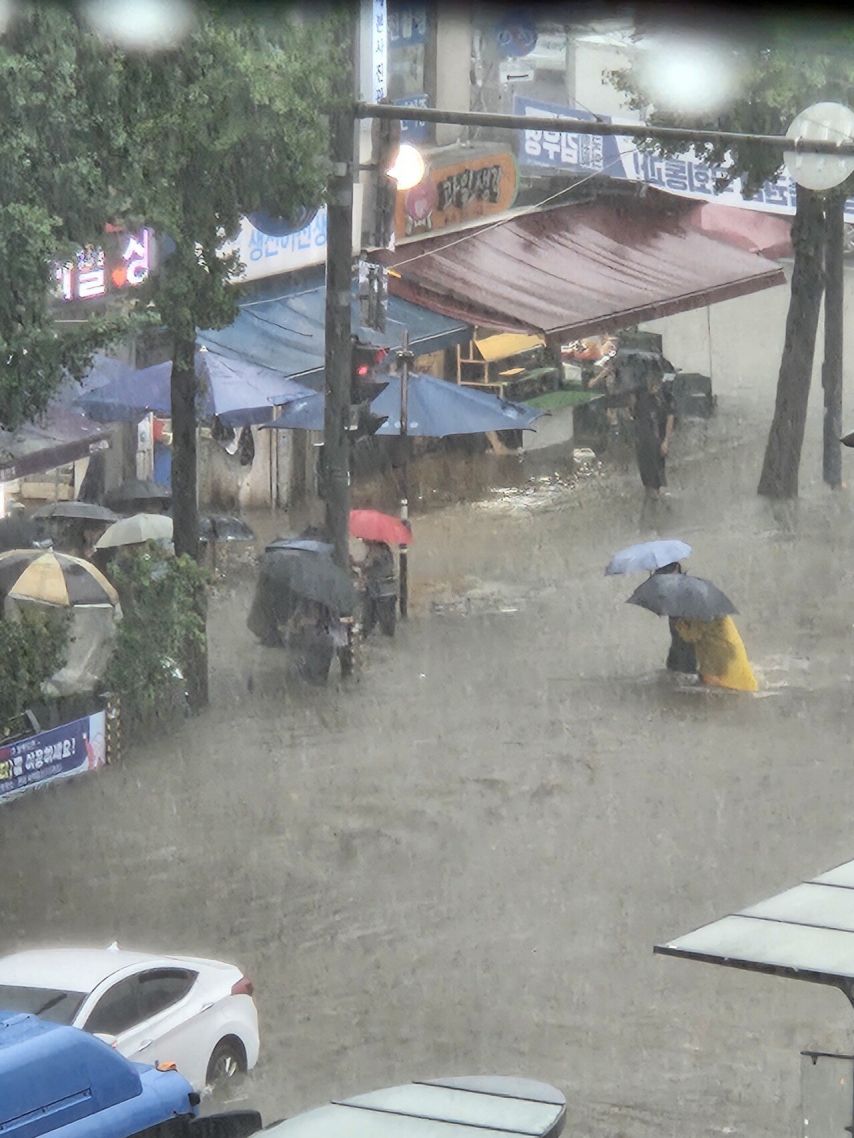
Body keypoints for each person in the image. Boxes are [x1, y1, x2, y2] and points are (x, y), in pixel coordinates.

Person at [673, 616, 758, 692]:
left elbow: (691, 636)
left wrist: (679, 624)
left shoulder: (701, 614)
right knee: (729, 679)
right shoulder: (716, 611)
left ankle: (734, 692)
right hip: (729, 647)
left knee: (710, 679)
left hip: (720, 651)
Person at [631, 373, 675, 496]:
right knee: (645, 467)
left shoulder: (665, 396)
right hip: (644, 439)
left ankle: (660, 491)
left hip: (658, 438)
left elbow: (670, 417)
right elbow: (635, 415)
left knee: (658, 468)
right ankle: (650, 491)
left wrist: (666, 440)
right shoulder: (642, 395)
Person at [653, 562, 698, 675]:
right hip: (678, 652)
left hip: (690, 653)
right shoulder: (671, 591)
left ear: (677, 568)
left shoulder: (688, 592)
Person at [359, 540, 397, 637]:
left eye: (364, 538)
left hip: (380, 592)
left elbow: (367, 564)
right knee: (385, 623)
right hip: (384, 591)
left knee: (372, 620)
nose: (362, 541)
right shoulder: (383, 549)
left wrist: (352, 563)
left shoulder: (376, 550)